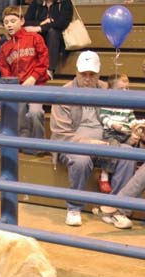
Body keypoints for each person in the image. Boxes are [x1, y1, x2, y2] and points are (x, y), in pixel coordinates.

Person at [50, 50, 136, 227]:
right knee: (81, 159)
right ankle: (74, 208)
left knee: (128, 154)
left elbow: (124, 112)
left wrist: (132, 130)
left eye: (92, 74)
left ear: (99, 73)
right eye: (84, 74)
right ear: (76, 72)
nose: (88, 78)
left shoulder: (107, 89)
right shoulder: (64, 93)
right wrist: (89, 143)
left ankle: (115, 209)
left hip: (107, 142)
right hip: (74, 144)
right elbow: (61, 134)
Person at [0, 6, 49, 145]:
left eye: (13, 21)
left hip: (36, 85)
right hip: (17, 89)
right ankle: (23, 144)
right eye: (6, 22)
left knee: (35, 113)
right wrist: (13, 84)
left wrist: (33, 77)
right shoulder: (4, 48)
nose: (9, 25)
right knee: (19, 116)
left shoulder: (35, 38)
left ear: (22, 21)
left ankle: (39, 144)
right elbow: (4, 68)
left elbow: (43, 60)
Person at [97, 73, 140, 194]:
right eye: (121, 89)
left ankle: (133, 171)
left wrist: (136, 125)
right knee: (113, 148)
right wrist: (113, 124)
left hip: (124, 133)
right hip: (112, 133)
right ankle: (104, 175)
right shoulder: (109, 103)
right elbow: (103, 117)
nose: (125, 91)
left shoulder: (127, 104)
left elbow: (131, 117)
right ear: (111, 90)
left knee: (134, 141)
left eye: (127, 88)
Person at [24, 0, 73, 79]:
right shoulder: (36, 3)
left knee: (53, 32)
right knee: (29, 32)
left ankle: (49, 70)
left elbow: (62, 23)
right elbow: (25, 22)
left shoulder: (65, 2)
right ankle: (28, 68)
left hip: (59, 39)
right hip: (40, 37)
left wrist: (41, 28)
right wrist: (41, 23)